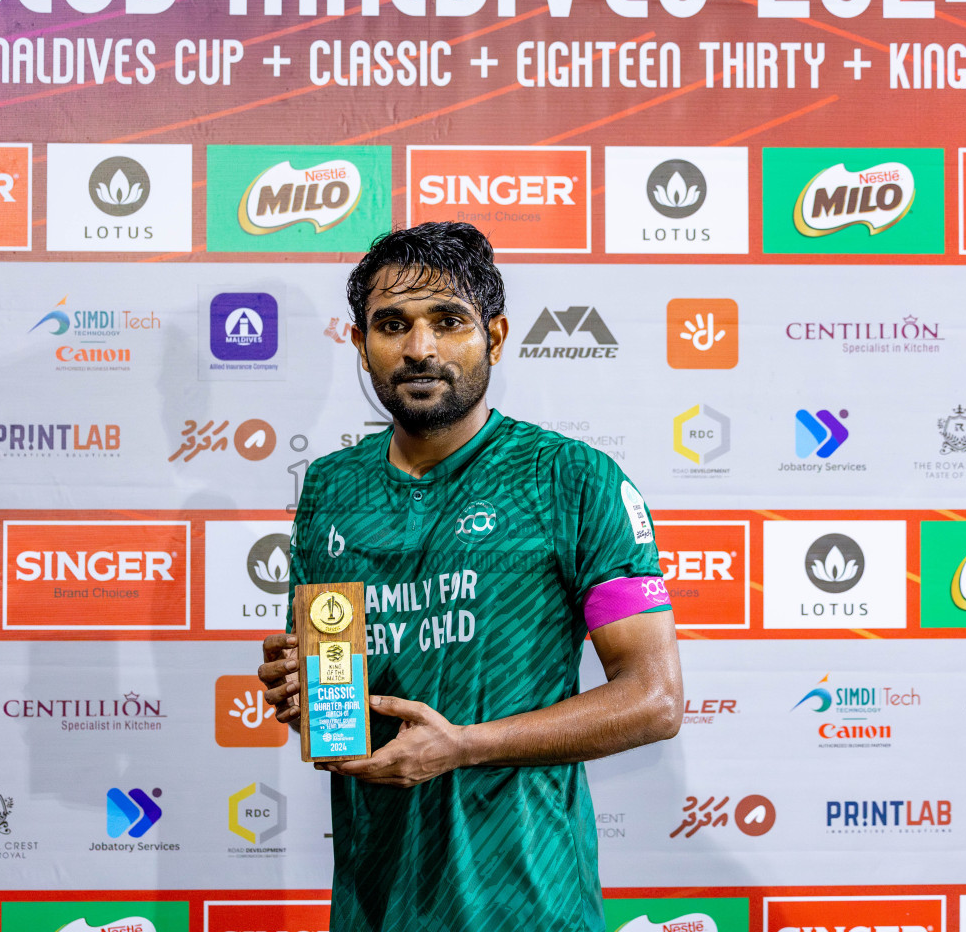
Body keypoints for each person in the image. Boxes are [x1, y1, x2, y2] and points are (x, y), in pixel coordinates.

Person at [257, 221, 682, 932]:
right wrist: (306, 693)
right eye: (392, 325)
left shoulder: (571, 479)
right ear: (360, 345)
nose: (419, 349)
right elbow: (341, 712)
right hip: (375, 901)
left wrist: (462, 747)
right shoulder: (330, 488)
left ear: (496, 333)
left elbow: (654, 698)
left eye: (447, 322)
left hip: (527, 904)